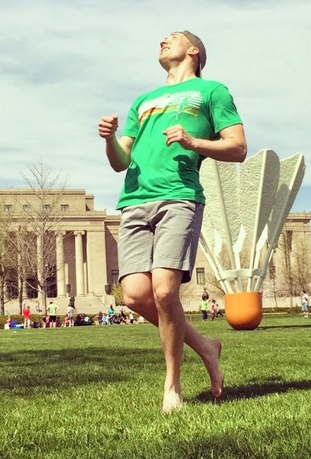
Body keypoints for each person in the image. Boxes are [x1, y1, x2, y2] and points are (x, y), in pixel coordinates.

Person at [98, 30, 246, 413]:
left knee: (165, 292)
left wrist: (193, 142)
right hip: (134, 201)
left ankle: (172, 386)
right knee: (134, 296)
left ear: (193, 50)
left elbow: (238, 147)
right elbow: (121, 161)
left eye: (173, 37)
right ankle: (206, 346)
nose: (163, 41)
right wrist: (110, 139)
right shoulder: (143, 100)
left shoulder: (212, 91)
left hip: (179, 196)